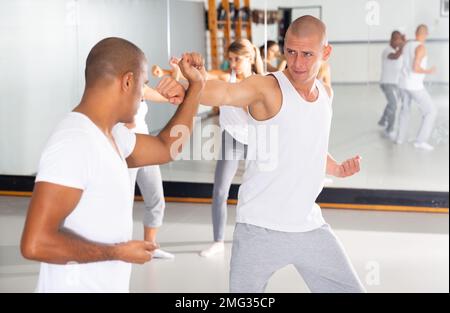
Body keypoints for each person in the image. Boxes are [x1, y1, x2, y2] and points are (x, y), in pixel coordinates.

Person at [180, 15, 365, 293]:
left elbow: (307, 146)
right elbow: (227, 93)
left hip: (308, 226)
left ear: (325, 52)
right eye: (291, 52)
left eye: (307, 54)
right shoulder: (267, 86)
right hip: (258, 228)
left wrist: (336, 169)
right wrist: (193, 85)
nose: (298, 63)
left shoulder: (326, 94)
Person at [20, 37, 205, 292]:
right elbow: (35, 243)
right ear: (128, 82)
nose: (143, 97)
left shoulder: (112, 135)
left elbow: (167, 148)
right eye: (143, 86)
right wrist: (118, 252)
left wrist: (196, 87)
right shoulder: (74, 141)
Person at [199, 39, 264, 257]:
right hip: (232, 140)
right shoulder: (228, 78)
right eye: (230, 59)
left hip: (256, 141)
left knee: (256, 192)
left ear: (250, 59)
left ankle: (259, 238)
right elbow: (207, 75)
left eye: (237, 59)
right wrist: (184, 69)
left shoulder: (259, 82)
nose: (233, 63)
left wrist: (248, 104)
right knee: (220, 191)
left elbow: (263, 116)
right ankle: (218, 241)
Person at [124, 86, 176, 260]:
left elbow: (164, 96)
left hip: (145, 147)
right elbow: (126, 122)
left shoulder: (141, 87)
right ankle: (122, 247)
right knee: (124, 202)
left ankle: (150, 247)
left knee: (156, 199)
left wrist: (175, 79)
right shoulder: (117, 89)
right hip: (127, 149)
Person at [396, 24, 437, 150]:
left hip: (403, 83)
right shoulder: (421, 47)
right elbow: (415, 68)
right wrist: (429, 71)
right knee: (431, 111)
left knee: (405, 110)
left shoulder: (408, 44)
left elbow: (402, 48)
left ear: (415, 32)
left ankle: (400, 139)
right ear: (426, 34)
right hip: (414, 86)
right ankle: (420, 141)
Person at [378, 31, 406, 139]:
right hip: (387, 83)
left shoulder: (397, 49)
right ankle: (389, 130)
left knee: (391, 103)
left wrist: (402, 43)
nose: (399, 42)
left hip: (396, 83)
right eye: (397, 39)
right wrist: (403, 46)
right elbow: (395, 56)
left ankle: (382, 120)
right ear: (391, 40)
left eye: (400, 39)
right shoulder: (387, 50)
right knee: (394, 105)